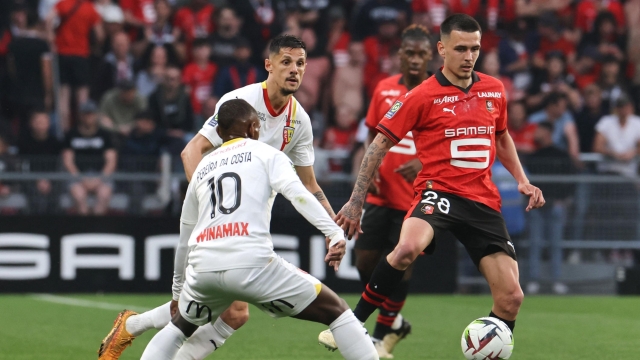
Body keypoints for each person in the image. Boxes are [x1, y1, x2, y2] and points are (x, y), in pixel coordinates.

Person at [98, 34, 337, 360]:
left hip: (252, 222)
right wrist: (212, 199)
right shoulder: (241, 100)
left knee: (230, 312)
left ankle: (133, 326)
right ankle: (134, 328)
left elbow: (309, 183)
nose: (294, 69)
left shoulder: (300, 121)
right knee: (215, 305)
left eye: (300, 63)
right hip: (222, 217)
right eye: (286, 62)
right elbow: (191, 151)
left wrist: (330, 225)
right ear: (269, 65)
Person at [323, 14, 545, 349]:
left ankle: (488, 350)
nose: (469, 56)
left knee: (512, 297)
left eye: (475, 49)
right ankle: (351, 325)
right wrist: (356, 200)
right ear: (441, 49)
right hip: (438, 192)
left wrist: (522, 180)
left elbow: (501, 137)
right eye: (460, 49)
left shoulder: (494, 89)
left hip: (482, 200)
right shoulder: (421, 95)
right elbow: (378, 144)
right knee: (407, 248)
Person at [137, 99, 378, 360]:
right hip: (251, 263)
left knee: (179, 327)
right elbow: (298, 195)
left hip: (204, 267)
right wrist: (333, 233)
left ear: (219, 132)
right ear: (254, 128)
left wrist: (177, 291)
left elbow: (185, 235)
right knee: (337, 310)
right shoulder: (267, 154)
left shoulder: (202, 170)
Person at [320, 24, 432, 359]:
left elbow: (448, 145)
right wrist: (368, 175)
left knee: (402, 263)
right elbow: (372, 138)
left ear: (431, 55)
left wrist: (422, 161)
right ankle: (395, 322)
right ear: (399, 55)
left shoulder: (438, 92)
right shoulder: (384, 89)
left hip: (416, 196)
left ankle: (381, 337)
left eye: (420, 54)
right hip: (381, 194)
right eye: (408, 53)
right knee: (366, 261)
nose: (414, 60)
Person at [525, 122, 575, 295]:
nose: (536, 132)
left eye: (539, 130)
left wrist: (563, 199)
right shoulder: (533, 157)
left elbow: (572, 179)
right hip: (536, 205)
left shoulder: (561, 155)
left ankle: (556, 280)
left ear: (548, 132)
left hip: (556, 204)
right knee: (535, 243)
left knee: (555, 244)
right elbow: (526, 181)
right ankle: (533, 280)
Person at [46, 0, 104, 131]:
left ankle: (64, 131)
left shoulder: (63, 4)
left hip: (62, 54)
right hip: (81, 55)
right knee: (82, 97)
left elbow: (49, 18)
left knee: (63, 97)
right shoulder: (90, 8)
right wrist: (94, 46)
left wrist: (51, 37)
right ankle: (82, 130)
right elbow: (100, 34)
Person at [62, 101, 117, 215]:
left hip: (101, 175)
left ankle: (97, 229)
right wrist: (81, 179)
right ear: (80, 116)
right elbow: (68, 161)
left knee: (103, 195)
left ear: (96, 115)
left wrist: (99, 179)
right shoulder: (71, 134)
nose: (88, 117)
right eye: (85, 114)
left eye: (91, 114)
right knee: (79, 197)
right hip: (77, 176)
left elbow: (111, 161)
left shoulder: (105, 135)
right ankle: (84, 229)